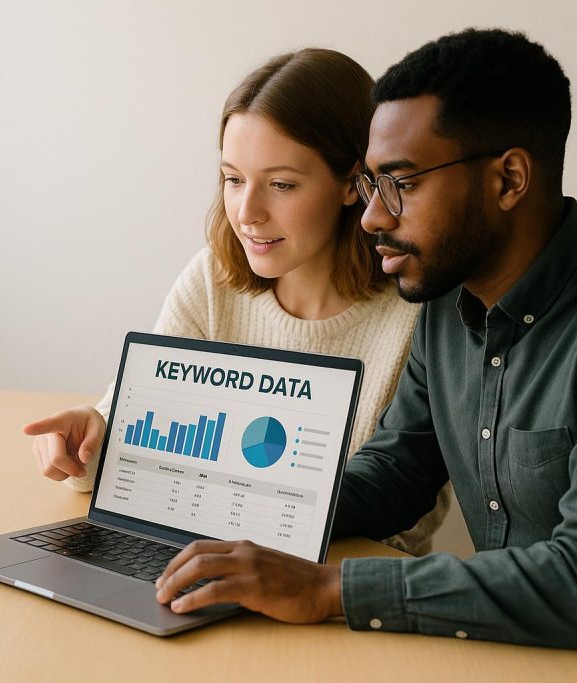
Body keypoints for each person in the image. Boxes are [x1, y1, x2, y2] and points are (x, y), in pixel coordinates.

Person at [152, 28, 577, 649]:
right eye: (374, 185)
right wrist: (242, 519)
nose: (373, 217)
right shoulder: (449, 299)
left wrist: (329, 590)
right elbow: (398, 468)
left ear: (509, 179)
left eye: (402, 184)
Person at [23, 48, 450, 556]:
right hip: (203, 558)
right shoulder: (213, 278)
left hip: (340, 585)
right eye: (232, 179)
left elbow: (408, 512)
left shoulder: (419, 311)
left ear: (351, 184)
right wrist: (90, 442)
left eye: (281, 184)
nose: (247, 213)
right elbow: (129, 445)